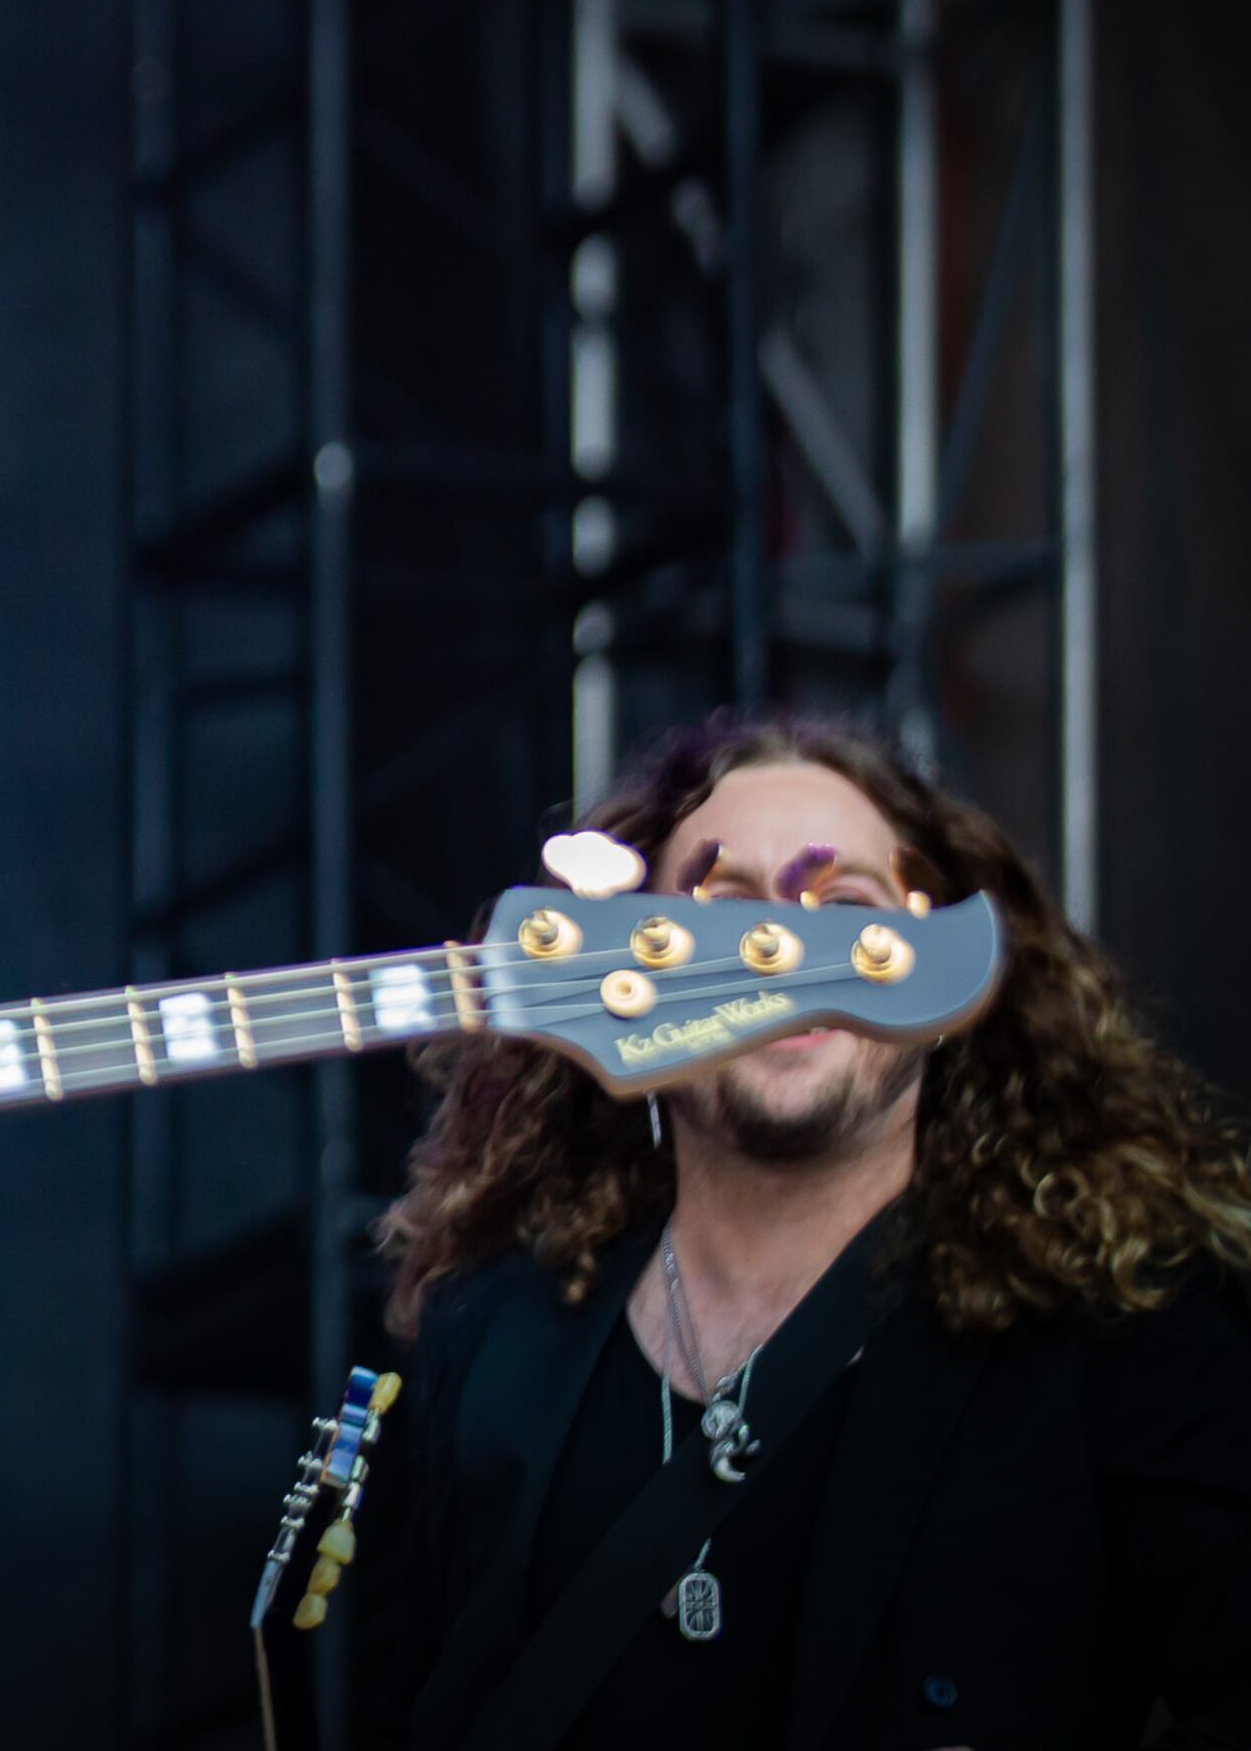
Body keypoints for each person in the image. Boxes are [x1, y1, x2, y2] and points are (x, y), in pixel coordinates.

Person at [356, 714, 1251, 1747]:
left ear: (942, 986)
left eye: (847, 910)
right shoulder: (488, 1345)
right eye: (724, 908)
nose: (778, 957)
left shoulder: (1121, 1327)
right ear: (621, 982)